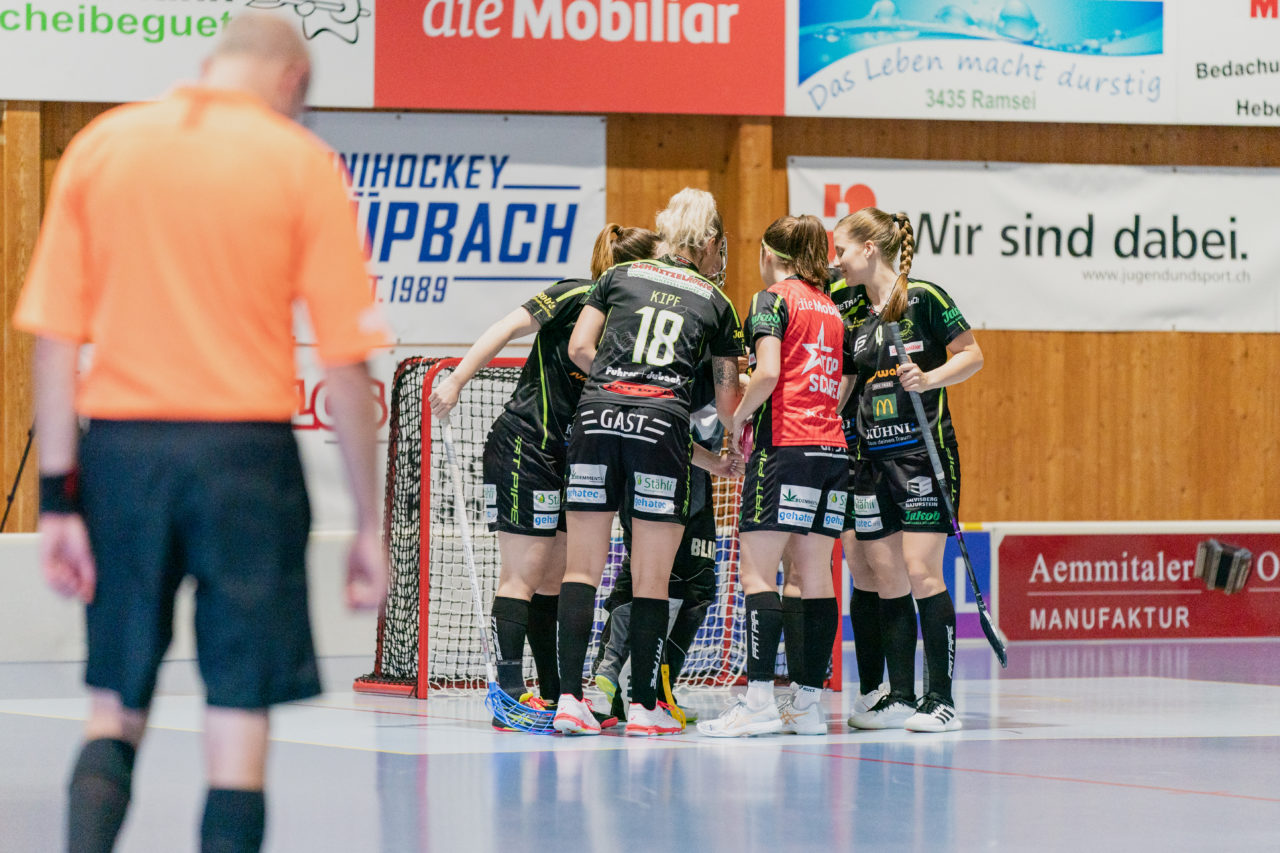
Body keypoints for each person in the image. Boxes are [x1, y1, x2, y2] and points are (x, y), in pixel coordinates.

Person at [12, 15, 388, 852]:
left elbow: (55, 340)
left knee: (114, 704)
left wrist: (57, 499)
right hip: (245, 461)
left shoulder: (104, 147)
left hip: (122, 454)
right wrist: (369, 524)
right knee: (237, 718)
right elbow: (344, 363)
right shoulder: (299, 162)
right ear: (292, 81)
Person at [427, 224, 658, 729]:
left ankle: (556, 694)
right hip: (524, 446)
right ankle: (509, 695)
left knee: (554, 578)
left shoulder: (632, 321)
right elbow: (506, 327)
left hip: (571, 457)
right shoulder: (577, 295)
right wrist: (458, 379)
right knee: (523, 574)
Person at [553, 187, 745, 737]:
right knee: (652, 578)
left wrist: (620, 386)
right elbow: (727, 402)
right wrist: (735, 437)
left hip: (596, 418)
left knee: (581, 569)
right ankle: (642, 708)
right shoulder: (716, 301)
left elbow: (579, 349)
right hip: (661, 428)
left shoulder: (618, 275)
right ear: (710, 241)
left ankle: (569, 702)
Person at [698, 215, 856, 738]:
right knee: (814, 576)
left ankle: (760, 700)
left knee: (758, 575)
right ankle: (807, 705)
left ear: (769, 253)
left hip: (785, 447)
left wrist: (736, 418)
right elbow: (842, 382)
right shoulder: (831, 307)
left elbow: (767, 372)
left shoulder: (772, 299)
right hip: (831, 449)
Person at [832, 209, 983, 733]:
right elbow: (846, 382)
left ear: (869, 248)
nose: (837, 261)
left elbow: (972, 355)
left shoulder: (924, 298)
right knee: (886, 575)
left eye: (842, 251)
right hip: (871, 461)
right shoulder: (852, 310)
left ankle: (941, 700)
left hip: (922, 455)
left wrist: (930, 377)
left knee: (921, 571)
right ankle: (899, 695)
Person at [591, 370, 737, 723]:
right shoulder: (688, 364)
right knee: (665, 579)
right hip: (667, 471)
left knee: (676, 581)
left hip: (682, 476)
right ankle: (628, 679)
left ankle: (636, 682)